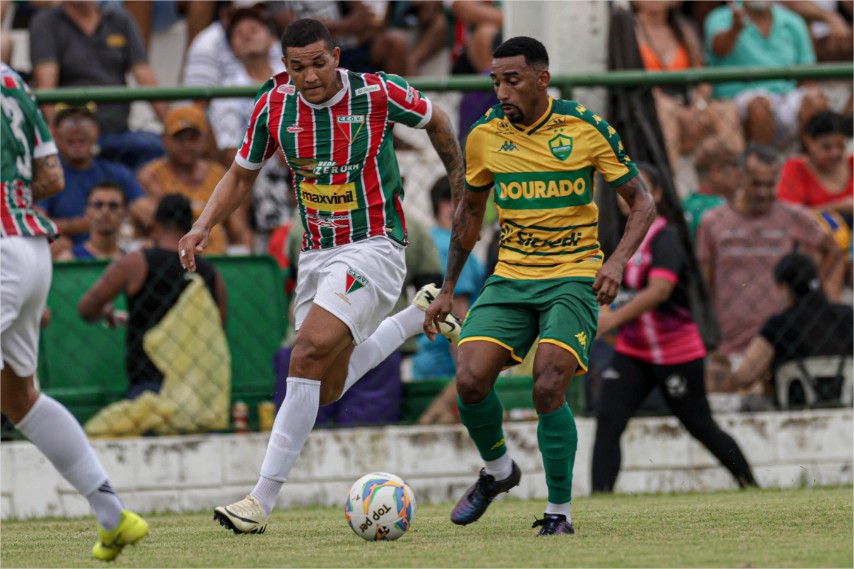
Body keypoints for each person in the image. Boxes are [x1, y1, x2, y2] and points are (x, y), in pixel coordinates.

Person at [177, 18, 466, 534]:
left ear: (336, 56)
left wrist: (462, 186)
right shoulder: (273, 103)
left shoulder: (375, 92)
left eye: (318, 63)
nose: (309, 76)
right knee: (324, 387)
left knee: (303, 354)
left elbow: (438, 121)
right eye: (296, 66)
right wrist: (202, 225)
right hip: (316, 253)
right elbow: (242, 173)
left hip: (375, 247)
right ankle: (413, 316)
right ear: (284, 66)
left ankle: (259, 502)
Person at [423, 36, 656, 536]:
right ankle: (500, 471)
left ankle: (559, 513)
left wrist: (615, 261)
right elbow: (468, 214)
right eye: (495, 81)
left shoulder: (585, 127)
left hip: (573, 276)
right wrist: (447, 288)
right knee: (468, 377)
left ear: (541, 79)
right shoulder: (484, 136)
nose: (502, 91)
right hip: (511, 277)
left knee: (549, 383)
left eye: (513, 80)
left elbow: (643, 203)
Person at [0, 62, 148, 562]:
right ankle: (114, 517)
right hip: (31, 247)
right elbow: (52, 175)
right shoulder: (11, 80)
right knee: (20, 398)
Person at [591, 162, 757, 493]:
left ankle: (750, 484)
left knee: (699, 424)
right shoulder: (617, 239)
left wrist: (612, 320)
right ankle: (600, 498)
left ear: (658, 195)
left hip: (675, 351)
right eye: (624, 187)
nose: (628, 194)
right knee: (609, 419)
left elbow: (659, 291)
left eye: (638, 187)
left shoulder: (665, 236)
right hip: (634, 350)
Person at [78, 194, 230, 436]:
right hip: (198, 393)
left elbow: (86, 308)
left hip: (150, 389)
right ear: (191, 228)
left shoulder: (136, 263)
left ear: (154, 224)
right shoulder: (211, 274)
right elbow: (217, 330)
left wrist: (106, 313)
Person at [697, 144, 843, 359]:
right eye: (756, 184)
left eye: (769, 184)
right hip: (730, 338)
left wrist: (812, 288)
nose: (763, 193)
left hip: (781, 337)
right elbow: (704, 279)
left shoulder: (791, 216)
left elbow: (831, 248)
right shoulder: (713, 221)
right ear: (740, 176)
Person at [29, 1, 169, 170]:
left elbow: (145, 77)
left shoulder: (121, 20)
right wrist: (50, 132)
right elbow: (46, 83)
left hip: (118, 132)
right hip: (74, 137)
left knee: (158, 150)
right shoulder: (46, 21)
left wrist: (171, 125)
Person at [632, 0, 744, 179]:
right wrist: (675, 109)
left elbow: (703, 78)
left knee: (726, 110)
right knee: (665, 109)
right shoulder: (629, 30)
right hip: (652, 111)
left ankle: (734, 184)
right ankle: (671, 190)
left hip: (688, 107)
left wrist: (698, 105)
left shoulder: (683, 30)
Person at [704, 0, 827, 148]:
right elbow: (719, 48)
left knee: (816, 101)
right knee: (760, 106)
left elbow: (808, 75)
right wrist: (735, 29)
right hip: (739, 98)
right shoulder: (720, 17)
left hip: (786, 97)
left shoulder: (793, 21)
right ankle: (760, 165)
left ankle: (804, 164)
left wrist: (812, 95)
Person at [730, 251, 853, 396]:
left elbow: (745, 376)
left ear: (784, 287)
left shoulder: (778, 325)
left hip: (793, 408)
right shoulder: (847, 316)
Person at [38, 103, 153, 255]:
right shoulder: (48, 175)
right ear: (55, 134)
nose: (77, 129)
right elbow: (38, 222)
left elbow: (148, 215)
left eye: (85, 123)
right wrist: (76, 225)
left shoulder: (117, 173)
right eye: (68, 123)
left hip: (116, 252)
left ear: (97, 133)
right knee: (55, 245)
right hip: (71, 254)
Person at [137, 105, 253, 255]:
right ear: (165, 140)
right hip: (172, 257)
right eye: (179, 138)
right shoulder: (150, 175)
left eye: (193, 138)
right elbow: (156, 225)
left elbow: (239, 230)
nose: (187, 145)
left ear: (204, 141)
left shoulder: (218, 174)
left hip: (217, 258)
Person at [412, 176, 485, 381]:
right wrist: (468, 372)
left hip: (429, 356)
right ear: (447, 205)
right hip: (447, 363)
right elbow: (457, 311)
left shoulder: (432, 239)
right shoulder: (453, 248)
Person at [777, 110, 853, 223]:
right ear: (808, 141)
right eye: (826, 147)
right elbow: (787, 216)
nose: (835, 153)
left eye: (841, 146)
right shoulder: (796, 169)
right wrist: (837, 207)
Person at [681, 135, 742, 242]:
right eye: (736, 165)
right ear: (716, 172)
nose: (740, 172)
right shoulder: (723, 209)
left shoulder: (682, 204)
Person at [56, 181, 127, 260]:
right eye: (98, 205)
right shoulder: (69, 260)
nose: (105, 211)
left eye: (113, 205)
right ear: (87, 211)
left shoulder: (131, 260)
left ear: (124, 212)